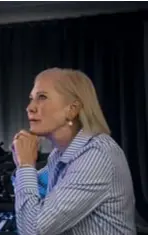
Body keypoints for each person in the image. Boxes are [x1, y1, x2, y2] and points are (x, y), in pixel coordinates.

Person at [12, 68, 136, 235]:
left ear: (72, 109)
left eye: (42, 97)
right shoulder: (60, 153)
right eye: (31, 99)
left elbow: (32, 230)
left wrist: (25, 165)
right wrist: (21, 164)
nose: (29, 108)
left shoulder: (96, 156)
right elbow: (40, 187)